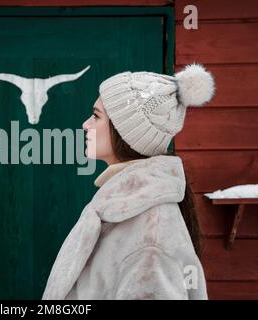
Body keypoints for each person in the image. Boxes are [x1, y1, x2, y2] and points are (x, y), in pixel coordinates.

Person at [43, 64, 215, 300]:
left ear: (125, 132)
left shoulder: (151, 235)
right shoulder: (125, 208)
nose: (85, 125)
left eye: (96, 116)